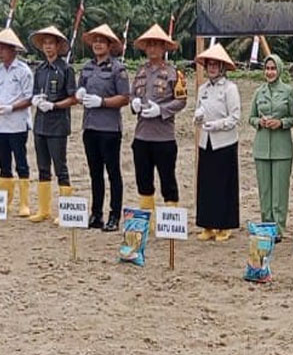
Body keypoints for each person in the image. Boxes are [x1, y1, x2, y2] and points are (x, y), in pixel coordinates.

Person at [129, 24, 188, 230]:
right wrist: (133, 103)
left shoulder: (174, 74)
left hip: (164, 137)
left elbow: (181, 101)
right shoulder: (140, 72)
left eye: (157, 45)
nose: (153, 49)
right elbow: (132, 95)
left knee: (168, 182)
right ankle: (148, 223)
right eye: (149, 45)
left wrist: (161, 110)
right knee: (143, 181)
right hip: (142, 135)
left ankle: (170, 223)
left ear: (164, 48)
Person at [77, 24, 131, 232]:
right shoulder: (87, 67)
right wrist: (79, 95)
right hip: (89, 127)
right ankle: (96, 214)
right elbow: (80, 92)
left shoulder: (118, 69)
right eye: (95, 41)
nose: (98, 44)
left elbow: (125, 98)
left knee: (113, 172)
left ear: (109, 45)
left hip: (109, 128)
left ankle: (114, 215)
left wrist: (103, 102)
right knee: (94, 173)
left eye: (102, 41)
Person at [29, 26, 77, 223]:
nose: (48, 47)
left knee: (61, 168)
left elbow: (73, 98)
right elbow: (34, 93)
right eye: (45, 44)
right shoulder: (39, 70)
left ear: (58, 46)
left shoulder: (66, 69)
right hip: (39, 123)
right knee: (42, 167)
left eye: (51, 43)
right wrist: (36, 100)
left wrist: (55, 105)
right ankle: (43, 209)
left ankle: (64, 210)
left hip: (57, 124)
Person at [248, 54, 293, 241]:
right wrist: (259, 121)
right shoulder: (258, 92)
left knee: (279, 191)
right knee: (265, 190)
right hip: (261, 147)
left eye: (273, 68)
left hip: (281, 147)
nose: (270, 72)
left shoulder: (287, 91)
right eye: (267, 69)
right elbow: (250, 118)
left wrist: (281, 123)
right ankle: (266, 224)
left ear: (279, 70)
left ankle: (278, 228)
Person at [195, 43, 241, 242]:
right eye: (209, 64)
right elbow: (198, 113)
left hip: (225, 142)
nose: (212, 68)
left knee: (224, 184)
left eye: (216, 65)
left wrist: (218, 125)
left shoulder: (230, 88)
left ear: (222, 67)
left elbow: (235, 117)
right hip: (206, 141)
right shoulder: (202, 89)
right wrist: (197, 118)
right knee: (206, 184)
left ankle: (225, 225)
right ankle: (207, 224)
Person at [0, 28, 33, 218]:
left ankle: (24, 203)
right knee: (3, 163)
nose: (0, 52)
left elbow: (30, 97)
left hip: (18, 123)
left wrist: (12, 108)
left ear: (13, 50)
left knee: (21, 163)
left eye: (3, 49)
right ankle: (4, 201)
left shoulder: (23, 71)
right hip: (0, 124)